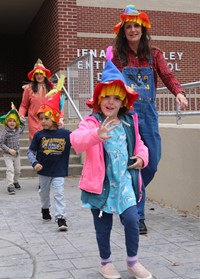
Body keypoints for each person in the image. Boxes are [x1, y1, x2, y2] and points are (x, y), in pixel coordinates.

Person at [108, 4, 188, 234]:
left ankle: (129, 197)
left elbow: (167, 75)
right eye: (128, 26)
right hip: (126, 114)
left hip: (149, 113)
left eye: (136, 26)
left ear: (143, 29)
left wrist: (179, 93)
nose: (133, 30)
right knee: (134, 161)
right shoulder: (117, 57)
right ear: (123, 31)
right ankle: (137, 216)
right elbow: (109, 83)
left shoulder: (155, 54)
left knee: (151, 163)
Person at [70, 60, 152, 279]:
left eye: (117, 97)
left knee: (133, 219)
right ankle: (105, 262)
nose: (111, 101)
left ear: (123, 101)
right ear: (99, 98)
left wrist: (142, 158)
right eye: (107, 96)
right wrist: (96, 134)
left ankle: (132, 261)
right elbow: (76, 140)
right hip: (101, 185)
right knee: (103, 225)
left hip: (125, 181)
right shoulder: (92, 121)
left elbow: (140, 144)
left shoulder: (128, 121)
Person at [27, 77, 71, 231]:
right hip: (44, 171)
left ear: (54, 117)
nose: (43, 121)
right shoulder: (39, 135)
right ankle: (45, 208)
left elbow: (79, 140)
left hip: (58, 171)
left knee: (59, 193)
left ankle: (61, 218)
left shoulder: (65, 134)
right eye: (41, 119)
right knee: (43, 193)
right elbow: (30, 151)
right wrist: (35, 163)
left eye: (46, 118)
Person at [19, 58, 64, 141]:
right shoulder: (29, 89)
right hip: (34, 121)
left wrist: (60, 118)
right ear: (34, 76)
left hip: (50, 121)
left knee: (49, 146)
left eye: (41, 73)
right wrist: (21, 115)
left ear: (45, 75)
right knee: (37, 145)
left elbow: (59, 105)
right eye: (36, 74)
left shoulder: (52, 88)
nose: (39, 76)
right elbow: (24, 105)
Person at [0, 103, 25, 194]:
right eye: (10, 121)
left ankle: (15, 181)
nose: (12, 123)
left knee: (18, 170)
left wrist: (23, 121)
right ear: (7, 121)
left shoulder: (17, 129)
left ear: (16, 122)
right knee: (10, 169)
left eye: (14, 121)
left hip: (16, 154)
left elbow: (22, 129)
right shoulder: (4, 132)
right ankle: (10, 185)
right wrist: (9, 150)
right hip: (8, 154)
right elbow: (1, 143)